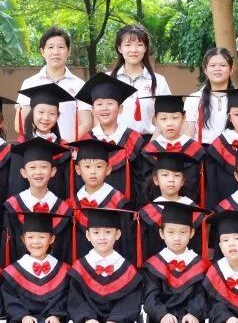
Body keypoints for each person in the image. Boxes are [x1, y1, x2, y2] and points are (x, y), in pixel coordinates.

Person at [142, 202, 211, 323]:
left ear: (191, 233)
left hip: (191, 314)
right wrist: (162, 314)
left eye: (182, 232)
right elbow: (150, 296)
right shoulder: (154, 264)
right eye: (171, 232)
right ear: (161, 234)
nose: (177, 237)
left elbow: (202, 294)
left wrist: (194, 313)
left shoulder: (199, 264)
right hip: (164, 315)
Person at [1, 137, 74, 265]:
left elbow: (65, 251)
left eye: (44, 167)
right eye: (32, 167)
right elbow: (9, 250)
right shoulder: (13, 207)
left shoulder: (63, 209)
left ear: (53, 171)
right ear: (24, 173)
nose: (38, 172)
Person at [14, 27, 91, 141]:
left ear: (68, 51)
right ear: (42, 51)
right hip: (36, 148)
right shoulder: (30, 83)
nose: (56, 52)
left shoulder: (79, 85)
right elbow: (21, 123)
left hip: (69, 148)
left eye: (61, 47)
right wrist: (41, 143)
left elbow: (86, 122)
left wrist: (66, 145)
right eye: (50, 47)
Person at [75, 73, 142, 205]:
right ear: (92, 110)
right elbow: (79, 180)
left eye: (110, 103)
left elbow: (140, 179)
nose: (104, 108)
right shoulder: (86, 141)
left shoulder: (133, 139)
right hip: (93, 208)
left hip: (125, 208)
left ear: (120, 109)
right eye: (99, 104)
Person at [9, 83, 75, 200]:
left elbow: (67, 187)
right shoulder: (20, 146)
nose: (46, 118)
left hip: (58, 208)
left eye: (52, 113)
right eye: (41, 112)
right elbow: (16, 185)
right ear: (32, 113)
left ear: (58, 116)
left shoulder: (64, 149)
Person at [68, 139, 132, 259]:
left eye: (99, 166)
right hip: (80, 266)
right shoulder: (71, 205)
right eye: (87, 166)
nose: (93, 172)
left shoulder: (119, 203)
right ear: (78, 170)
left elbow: (125, 244)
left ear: (108, 170)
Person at [136, 95, 205, 203]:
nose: (170, 123)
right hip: (157, 208)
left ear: (184, 118)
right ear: (156, 120)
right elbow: (146, 187)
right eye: (163, 119)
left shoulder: (195, 149)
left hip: (187, 207)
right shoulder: (149, 151)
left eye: (175, 118)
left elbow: (196, 184)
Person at [137, 151, 204, 260]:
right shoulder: (148, 213)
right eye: (165, 175)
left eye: (177, 175)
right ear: (156, 180)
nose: (171, 180)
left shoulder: (194, 211)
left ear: (183, 181)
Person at [109, 24, 171, 136]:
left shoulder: (159, 81)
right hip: (114, 142)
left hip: (147, 142)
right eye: (128, 45)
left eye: (139, 45)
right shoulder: (108, 79)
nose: (134, 50)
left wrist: (152, 144)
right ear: (119, 48)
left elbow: (167, 117)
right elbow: (98, 117)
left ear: (145, 48)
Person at [185, 47, 237, 142]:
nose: (217, 69)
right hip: (203, 150)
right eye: (212, 65)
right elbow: (189, 135)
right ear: (205, 70)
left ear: (231, 70)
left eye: (223, 65)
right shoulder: (194, 99)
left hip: (233, 149)